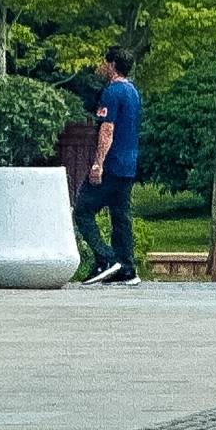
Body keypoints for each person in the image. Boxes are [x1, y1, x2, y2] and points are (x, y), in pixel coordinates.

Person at [77, 48, 143, 286]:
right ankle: (127, 268)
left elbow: (107, 130)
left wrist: (98, 163)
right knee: (120, 216)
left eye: (105, 63)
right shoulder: (133, 92)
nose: (102, 67)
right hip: (129, 163)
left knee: (83, 211)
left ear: (112, 65)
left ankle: (106, 258)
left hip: (112, 163)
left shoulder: (112, 92)